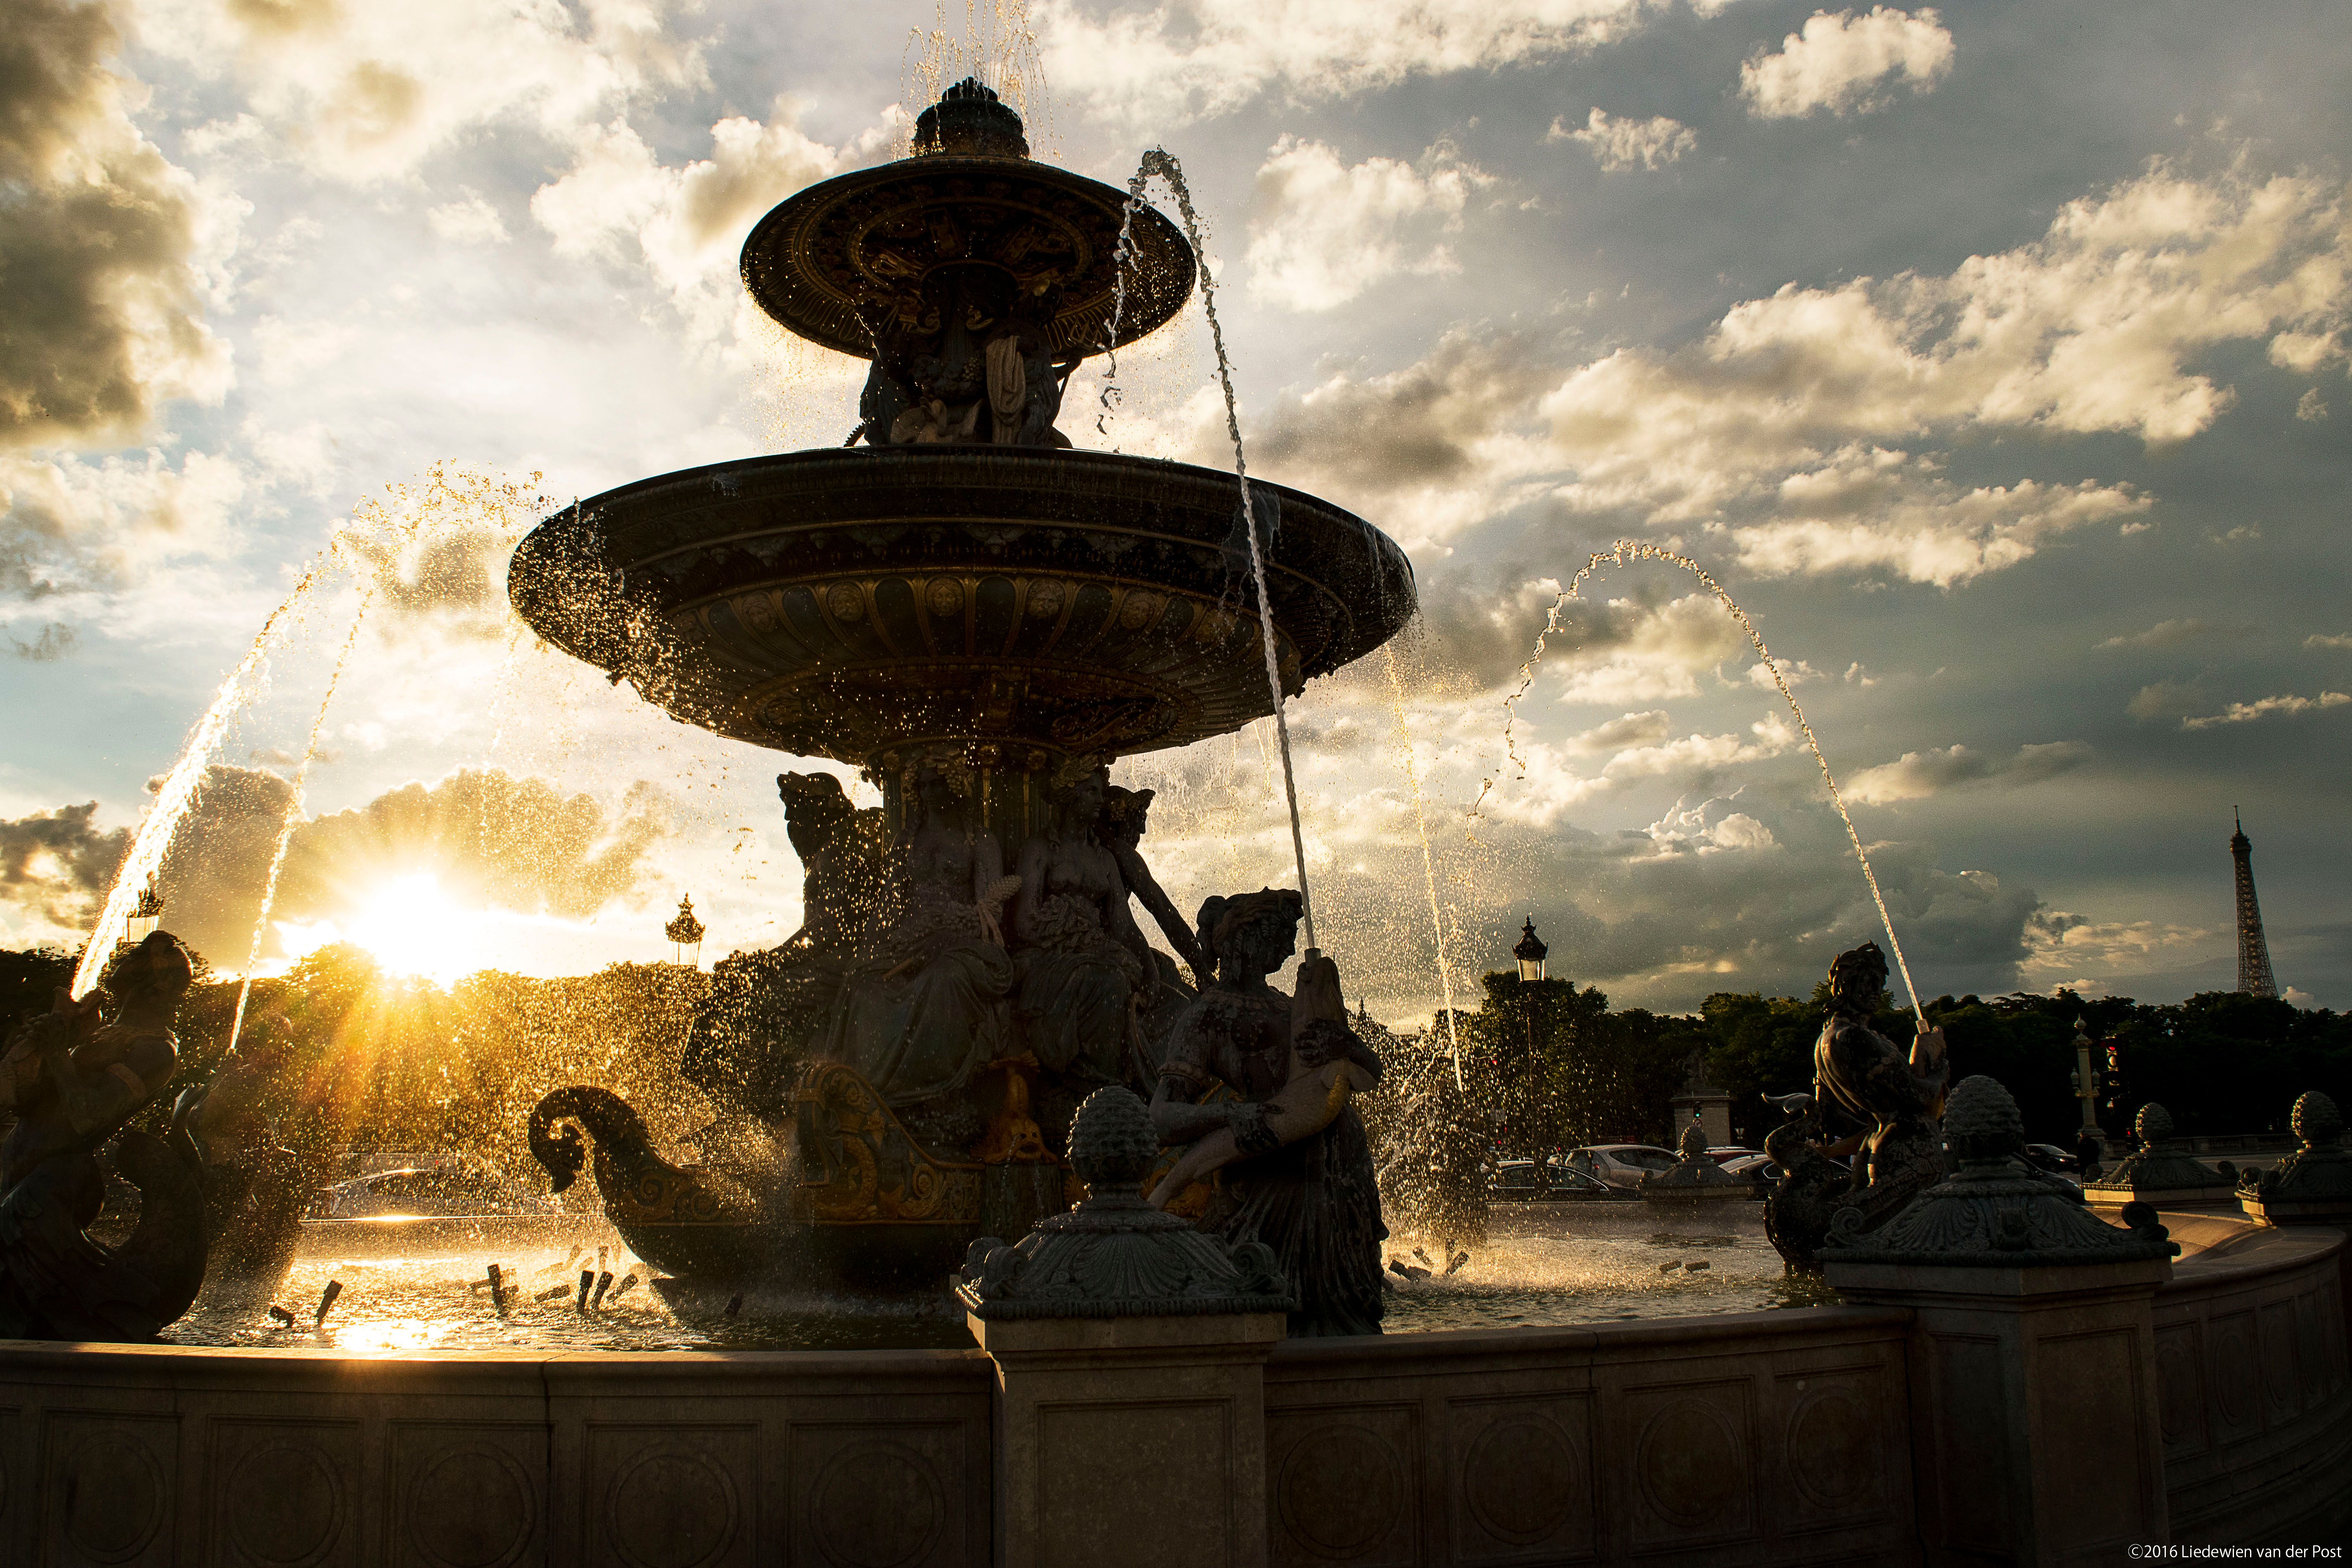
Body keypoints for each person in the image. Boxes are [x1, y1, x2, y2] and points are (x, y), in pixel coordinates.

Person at [1149, 889, 1386, 1337]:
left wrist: (1347, 1045)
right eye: (1279, 935)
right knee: (1275, 1318)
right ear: (1244, 937)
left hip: (1341, 1175)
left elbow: (1370, 1070)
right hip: (1272, 1181)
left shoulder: (1291, 1005)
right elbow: (1160, 1117)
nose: (1290, 948)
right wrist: (1230, 1116)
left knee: (1348, 1324)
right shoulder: (1206, 1016)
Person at [1010, 766, 1154, 1091]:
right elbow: (1024, 922)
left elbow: (1124, 924)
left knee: (1154, 982)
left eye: (1101, 792)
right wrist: (1074, 935)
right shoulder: (1040, 849)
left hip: (1094, 951)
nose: (1101, 800)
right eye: (1092, 791)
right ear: (1068, 794)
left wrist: (1150, 969)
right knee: (1109, 981)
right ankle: (1095, 1085)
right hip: (1047, 954)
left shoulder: (1103, 859)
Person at [1812, 941, 1948, 1231]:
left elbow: (1826, 1113)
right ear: (1847, 986)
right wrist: (1938, 1066)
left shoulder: (1824, 1040)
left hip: (1872, 1141)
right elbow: (1919, 1096)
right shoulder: (1858, 1037)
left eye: (1879, 983)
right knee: (1913, 1236)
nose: (1875, 991)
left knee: (1859, 1234)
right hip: (1909, 1143)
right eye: (1869, 982)